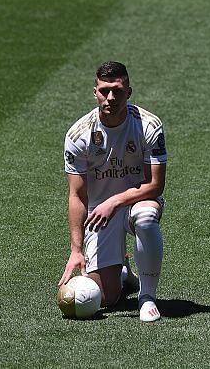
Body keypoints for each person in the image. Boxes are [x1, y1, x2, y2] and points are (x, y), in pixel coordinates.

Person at [58, 61, 167, 322]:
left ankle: (147, 296)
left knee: (146, 217)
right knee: (105, 298)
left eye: (117, 90)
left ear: (128, 92)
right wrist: (76, 249)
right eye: (105, 90)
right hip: (99, 214)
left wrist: (115, 202)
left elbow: (155, 185)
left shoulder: (149, 126)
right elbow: (77, 195)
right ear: (94, 92)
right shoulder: (79, 135)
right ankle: (123, 274)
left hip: (137, 201)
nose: (111, 97)